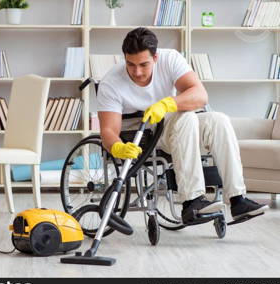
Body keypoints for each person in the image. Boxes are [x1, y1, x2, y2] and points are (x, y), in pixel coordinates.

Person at [97, 27, 268, 224]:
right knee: (186, 118)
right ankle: (192, 201)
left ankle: (238, 200)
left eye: (143, 64)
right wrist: (117, 146)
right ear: (124, 58)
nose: (137, 72)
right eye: (130, 64)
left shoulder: (170, 60)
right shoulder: (111, 82)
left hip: (174, 122)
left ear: (155, 58)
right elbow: (108, 130)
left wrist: (168, 103)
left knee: (219, 120)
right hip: (146, 134)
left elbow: (200, 95)